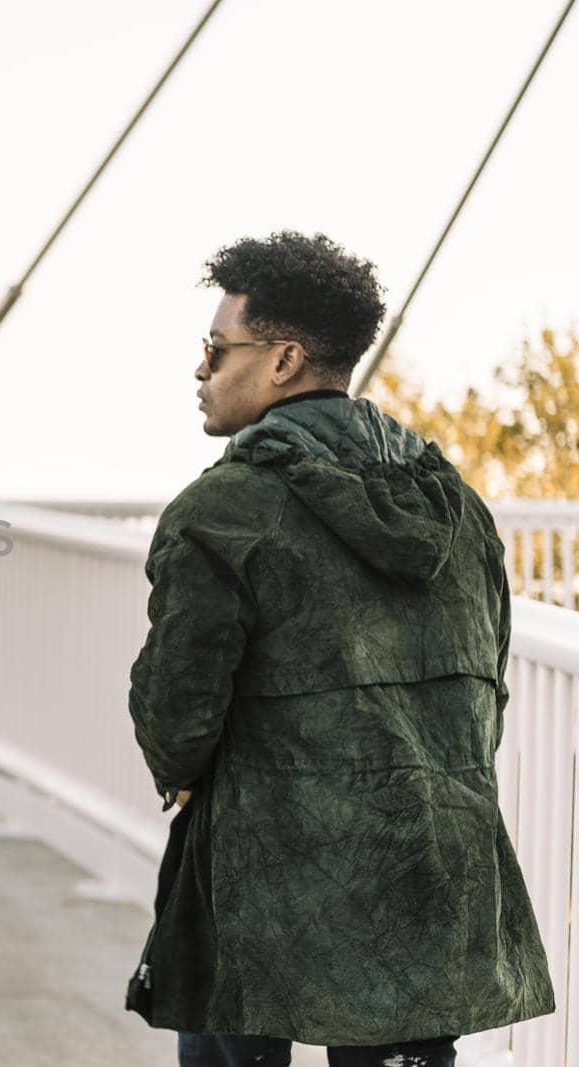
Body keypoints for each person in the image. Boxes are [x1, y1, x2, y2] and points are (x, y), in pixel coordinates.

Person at [123, 231, 556, 1067]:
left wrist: (179, 768)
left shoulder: (223, 508)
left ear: (283, 360)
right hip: (434, 865)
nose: (201, 369)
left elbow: (177, 716)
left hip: (263, 881)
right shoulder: (458, 507)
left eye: (215, 348)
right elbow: (485, 691)